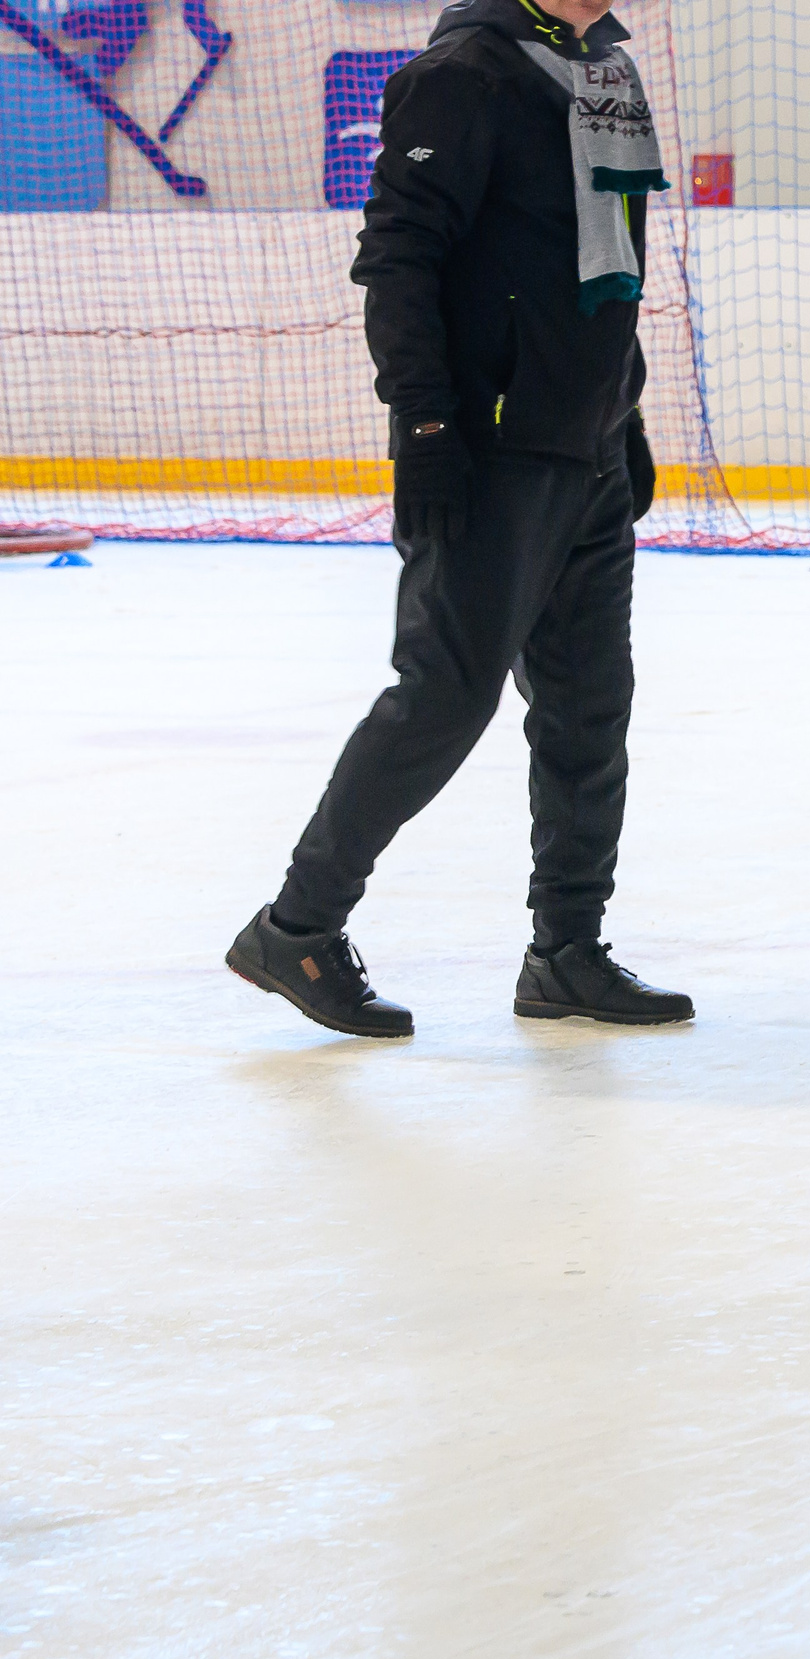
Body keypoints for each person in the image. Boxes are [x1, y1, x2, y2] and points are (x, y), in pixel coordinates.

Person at [224, 0, 690, 1036]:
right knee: (444, 696)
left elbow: (610, 257)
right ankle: (296, 928)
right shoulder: (461, 75)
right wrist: (426, 423)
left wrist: (627, 404)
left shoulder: (605, 68)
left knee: (588, 706)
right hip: (485, 446)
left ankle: (566, 950)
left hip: (589, 443)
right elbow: (398, 259)